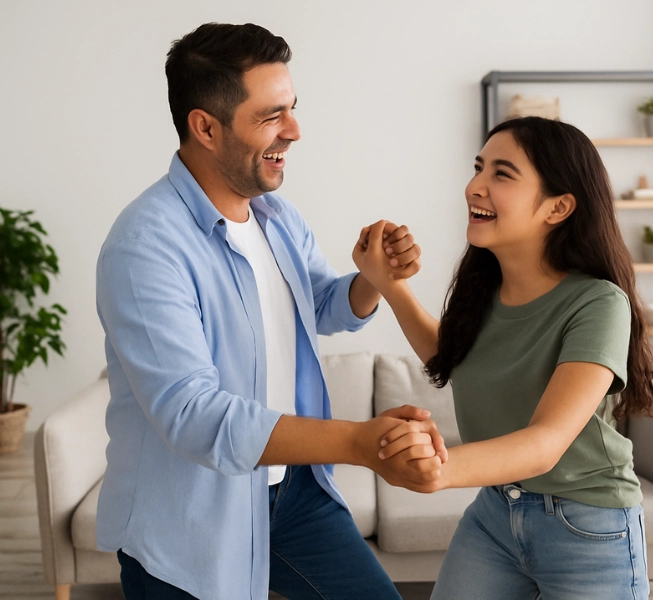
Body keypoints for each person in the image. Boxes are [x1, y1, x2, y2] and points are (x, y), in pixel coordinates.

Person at [95, 22, 444, 600]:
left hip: (295, 494)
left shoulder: (276, 216)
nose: (295, 130)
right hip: (193, 515)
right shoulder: (144, 247)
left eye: (293, 108)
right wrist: (360, 443)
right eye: (270, 116)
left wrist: (371, 281)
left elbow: (321, 305)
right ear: (205, 126)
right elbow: (193, 414)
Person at [354, 116, 653, 599]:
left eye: (501, 174)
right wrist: (388, 285)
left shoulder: (599, 303)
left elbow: (545, 443)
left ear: (558, 207)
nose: (474, 186)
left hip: (588, 524)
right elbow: (452, 356)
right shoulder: (488, 289)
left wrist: (439, 468)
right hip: (497, 514)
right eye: (479, 168)